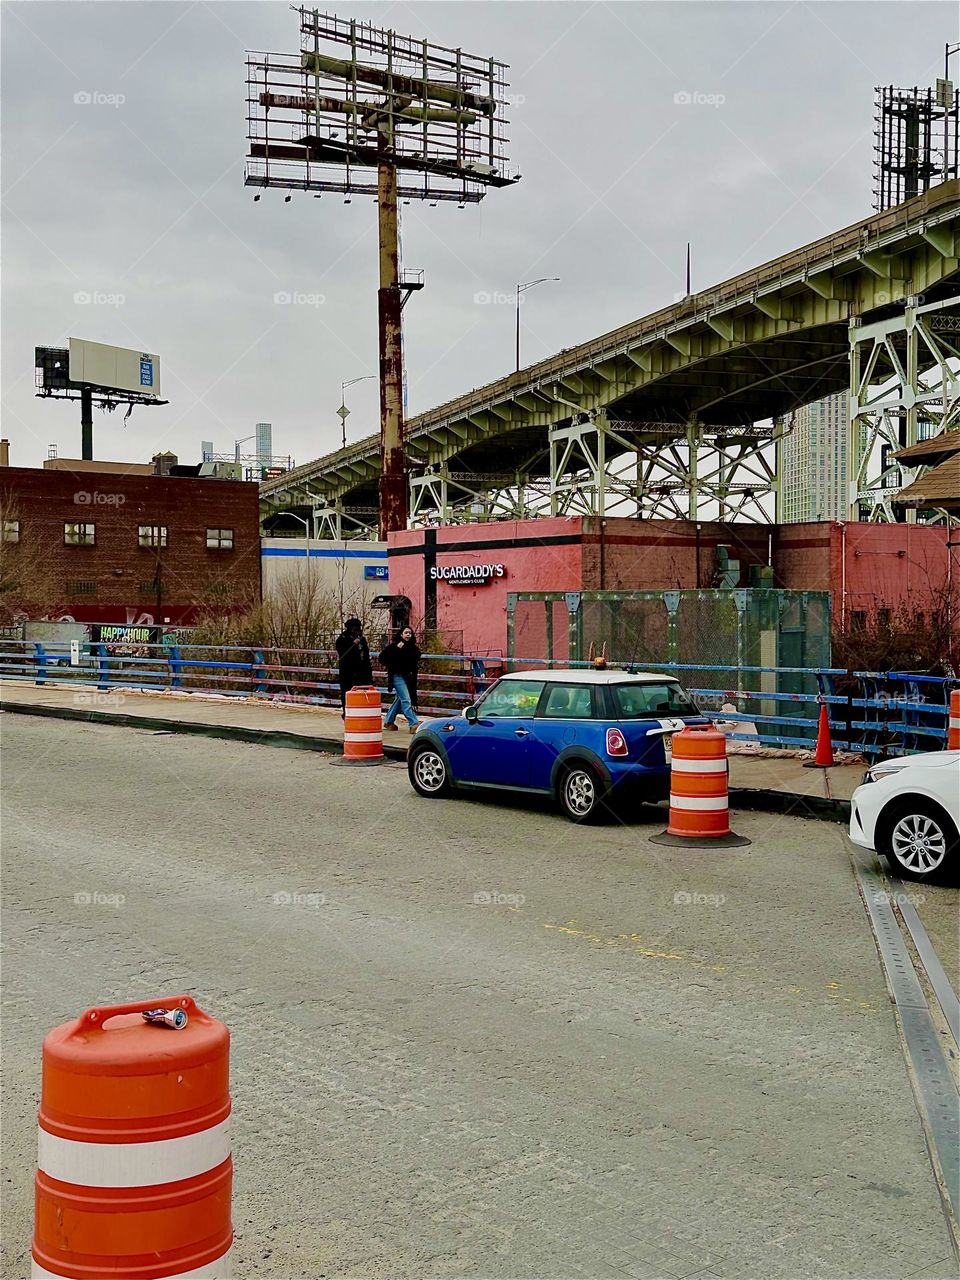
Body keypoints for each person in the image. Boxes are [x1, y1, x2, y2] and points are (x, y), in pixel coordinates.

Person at [379, 625, 421, 733]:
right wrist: (397, 649)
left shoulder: (413, 648)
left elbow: (416, 658)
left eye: (410, 633)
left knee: (400, 699)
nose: (408, 635)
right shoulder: (395, 646)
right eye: (406, 633)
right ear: (401, 634)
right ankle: (413, 723)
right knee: (406, 699)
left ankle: (388, 721)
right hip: (397, 676)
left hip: (409, 677)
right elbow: (383, 657)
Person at [335, 617, 372, 717]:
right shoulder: (342, 640)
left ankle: (360, 714)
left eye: (359, 629)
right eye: (355, 629)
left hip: (361, 672)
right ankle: (347, 714)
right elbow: (343, 655)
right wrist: (353, 645)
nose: (358, 632)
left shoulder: (362, 640)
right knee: (347, 694)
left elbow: (366, 655)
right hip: (347, 673)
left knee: (361, 694)